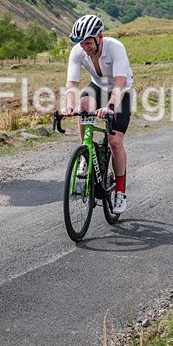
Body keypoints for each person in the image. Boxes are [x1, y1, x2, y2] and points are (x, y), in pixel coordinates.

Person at [63, 15, 133, 213]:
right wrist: (69, 106)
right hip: (97, 86)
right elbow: (72, 83)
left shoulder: (115, 48)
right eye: (80, 43)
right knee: (84, 103)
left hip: (121, 91)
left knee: (115, 142)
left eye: (87, 42)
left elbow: (120, 83)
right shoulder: (78, 51)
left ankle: (120, 191)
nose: (84, 47)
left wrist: (110, 107)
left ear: (99, 37)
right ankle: (85, 152)